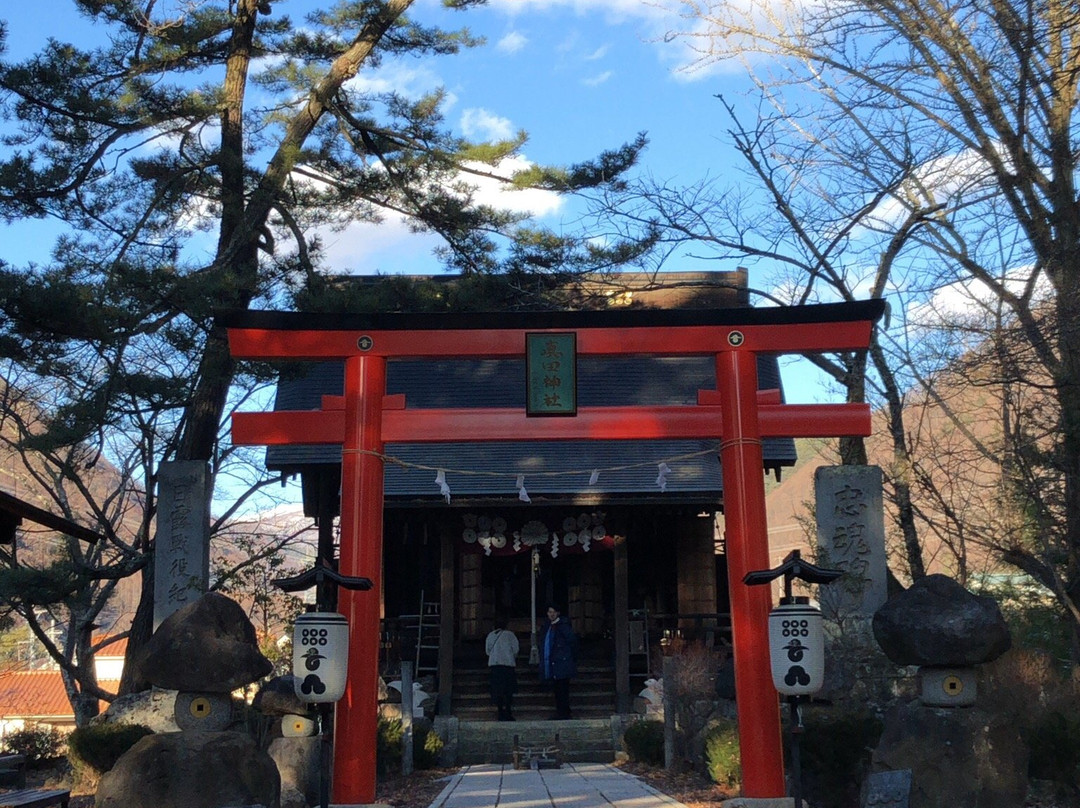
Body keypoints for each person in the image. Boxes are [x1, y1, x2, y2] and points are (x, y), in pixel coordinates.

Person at [539, 604, 578, 719]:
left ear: (558, 613)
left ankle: (564, 712)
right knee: (557, 688)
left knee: (563, 689)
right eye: (550, 612)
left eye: (554, 612)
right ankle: (561, 711)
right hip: (552, 662)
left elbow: (572, 642)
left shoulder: (563, 626)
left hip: (562, 661)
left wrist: (569, 657)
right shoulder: (547, 626)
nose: (551, 614)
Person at [485, 614, 519, 721]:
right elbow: (516, 650)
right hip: (508, 665)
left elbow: (488, 651)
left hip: (495, 665)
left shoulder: (491, 635)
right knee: (508, 690)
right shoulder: (511, 636)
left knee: (497, 690)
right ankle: (508, 711)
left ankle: (500, 712)